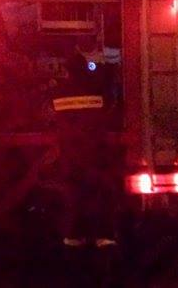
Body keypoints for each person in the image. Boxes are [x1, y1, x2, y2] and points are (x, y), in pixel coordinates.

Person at [54, 48, 117, 249]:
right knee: (99, 193)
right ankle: (102, 236)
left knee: (73, 195)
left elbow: (50, 116)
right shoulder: (97, 89)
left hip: (70, 154)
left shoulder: (59, 91)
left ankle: (74, 236)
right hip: (94, 151)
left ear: (68, 71)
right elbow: (111, 107)